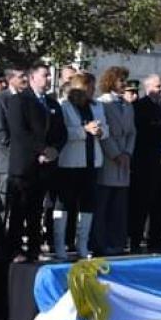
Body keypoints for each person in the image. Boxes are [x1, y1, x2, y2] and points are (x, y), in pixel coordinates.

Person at [5, 64, 67, 263]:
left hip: (46, 166)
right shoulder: (19, 101)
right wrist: (40, 150)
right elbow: (19, 133)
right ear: (32, 78)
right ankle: (14, 249)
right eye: (45, 75)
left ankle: (34, 247)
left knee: (36, 209)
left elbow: (61, 133)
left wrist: (54, 150)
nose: (49, 78)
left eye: (50, 75)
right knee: (19, 209)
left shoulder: (52, 103)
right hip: (24, 166)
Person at [54, 72, 107, 260]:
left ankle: (82, 244)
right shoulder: (64, 105)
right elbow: (61, 131)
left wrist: (100, 131)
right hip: (70, 161)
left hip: (92, 160)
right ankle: (60, 244)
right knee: (65, 202)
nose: (94, 90)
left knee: (88, 202)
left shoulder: (97, 106)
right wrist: (83, 130)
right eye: (91, 87)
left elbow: (106, 129)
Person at [130, 74, 161, 252]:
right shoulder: (138, 107)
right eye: (158, 86)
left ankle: (156, 239)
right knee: (141, 204)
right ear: (148, 87)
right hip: (146, 164)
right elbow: (141, 135)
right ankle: (135, 240)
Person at [93, 67, 136, 256]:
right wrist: (116, 154)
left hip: (124, 159)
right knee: (103, 205)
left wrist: (127, 152)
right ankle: (100, 243)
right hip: (109, 158)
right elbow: (104, 132)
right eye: (121, 81)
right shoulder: (102, 103)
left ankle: (117, 242)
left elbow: (133, 131)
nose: (124, 84)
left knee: (119, 206)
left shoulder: (128, 105)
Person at [0, 68, 26, 253]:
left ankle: (14, 246)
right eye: (21, 77)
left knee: (20, 208)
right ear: (10, 79)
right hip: (6, 163)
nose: (24, 79)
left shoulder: (28, 99)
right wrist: (21, 150)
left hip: (25, 165)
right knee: (3, 208)